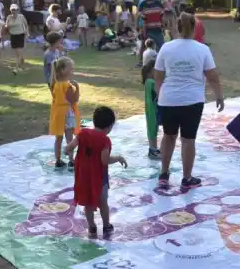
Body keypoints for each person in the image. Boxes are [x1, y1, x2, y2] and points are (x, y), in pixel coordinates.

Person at [155, 12, 225, 189]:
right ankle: (186, 178)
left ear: (177, 28)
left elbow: (158, 74)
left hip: (168, 100)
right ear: (194, 28)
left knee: (168, 136)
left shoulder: (166, 48)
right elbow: (212, 76)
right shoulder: (202, 49)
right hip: (192, 101)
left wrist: (159, 93)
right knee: (188, 140)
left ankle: (164, 174)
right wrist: (219, 96)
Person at [65, 106, 127, 238]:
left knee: (87, 203)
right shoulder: (105, 140)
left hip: (83, 176)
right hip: (98, 177)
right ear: (109, 127)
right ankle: (106, 226)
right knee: (103, 202)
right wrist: (118, 158)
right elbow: (104, 160)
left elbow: (70, 147)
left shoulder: (83, 133)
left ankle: (92, 227)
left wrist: (67, 151)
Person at [49, 57, 80, 168]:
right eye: (71, 69)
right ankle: (71, 160)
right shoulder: (68, 86)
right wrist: (77, 87)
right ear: (63, 70)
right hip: (67, 114)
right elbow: (74, 100)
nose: (73, 71)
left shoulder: (55, 85)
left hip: (58, 114)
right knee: (69, 138)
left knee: (58, 138)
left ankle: (58, 160)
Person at [142, 61, 161, 159]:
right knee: (153, 130)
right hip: (153, 109)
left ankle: (154, 148)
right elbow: (159, 90)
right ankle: (152, 150)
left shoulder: (148, 82)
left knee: (152, 129)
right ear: (150, 71)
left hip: (150, 108)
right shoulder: (151, 82)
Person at [5, 3, 28, 74]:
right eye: (12, 10)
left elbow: (26, 24)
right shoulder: (9, 17)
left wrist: (27, 33)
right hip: (13, 36)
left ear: (17, 10)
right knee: (16, 53)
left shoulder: (21, 17)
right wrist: (7, 26)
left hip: (20, 35)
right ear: (10, 10)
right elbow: (6, 26)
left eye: (15, 10)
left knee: (19, 52)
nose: (13, 11)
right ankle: (22, 64)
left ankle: (16, 68)